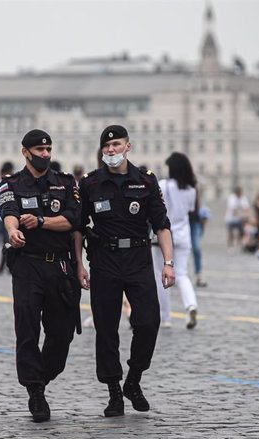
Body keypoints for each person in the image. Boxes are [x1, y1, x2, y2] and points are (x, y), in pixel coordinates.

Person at [74, 125, 174, 418]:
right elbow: (79, 228)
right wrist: (80, 263)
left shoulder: (145, 181)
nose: (111, 150)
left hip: (139, 259)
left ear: (128, 146)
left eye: (117, 144)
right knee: (106, 329)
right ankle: (114, 392)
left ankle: (134, 379)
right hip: (104, 260)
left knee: (148, 322)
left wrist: (168, 263)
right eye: (107, 146)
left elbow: (161, 224)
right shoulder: (91, 184)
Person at [0, 129, 82, 422]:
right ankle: (35, 390)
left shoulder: (65, 183)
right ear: (25, 152)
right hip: (28, 266)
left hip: (59, 267)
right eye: (39, 150)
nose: (45, 154)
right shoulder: (11, 184)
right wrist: (13, 230)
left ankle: (44, 375)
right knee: (28, 327)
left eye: (48, 150)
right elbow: (8, 210)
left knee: (61, 335)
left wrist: (42, 221)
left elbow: (73, 219)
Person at [152, 152, 199, 329]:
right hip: (183, 235)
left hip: (165, 235)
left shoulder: (164, 185)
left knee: (160, 275)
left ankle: (166, 317)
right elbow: (190, 210)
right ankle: (191, 305)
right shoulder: (191, 189)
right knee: (182, 274)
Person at [189, 188, 209, 287]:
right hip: (182, 221)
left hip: (195, 222)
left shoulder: (194, 188)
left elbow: (200, 206)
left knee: (196, 248)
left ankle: (198, 275)